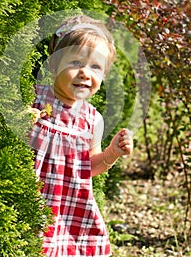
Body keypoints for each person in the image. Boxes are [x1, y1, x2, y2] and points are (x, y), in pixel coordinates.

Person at [28, 15, 133, 257]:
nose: (86, 73)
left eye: (96, 67)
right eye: (76, 62)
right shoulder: (36, 97)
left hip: (68, 207)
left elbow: (88, 166)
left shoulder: (93, 119)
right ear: (54, 65)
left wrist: (112, 153)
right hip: (33, 198)